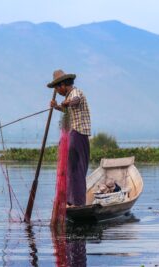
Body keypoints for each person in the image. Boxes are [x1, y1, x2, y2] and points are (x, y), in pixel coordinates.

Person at [48, 69, 91, 207]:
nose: (58, 92)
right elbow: (69, 109)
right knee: (74, 170)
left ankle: (76, 201)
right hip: (74, 135)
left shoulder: (75, 93)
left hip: (78, 134)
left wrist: (68, 103)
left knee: (76, 169)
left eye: (57, 88)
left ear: (63, 85)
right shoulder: (68, 97)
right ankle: (74, 201)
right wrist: (57, 107)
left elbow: (76, 101)